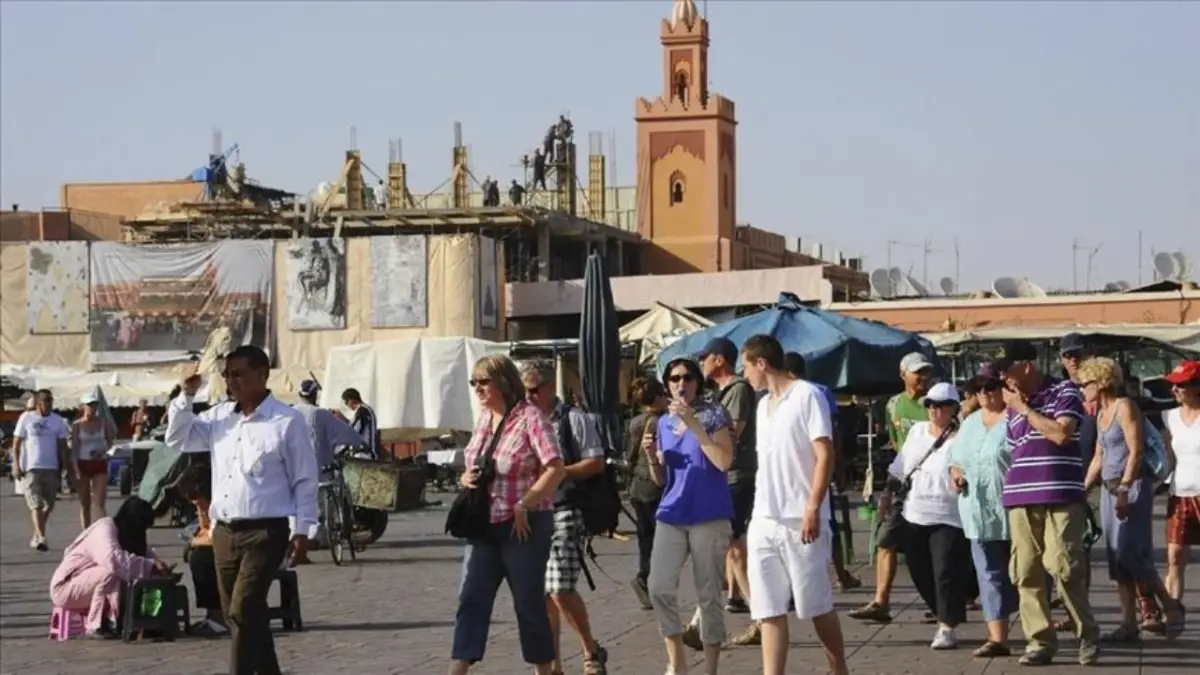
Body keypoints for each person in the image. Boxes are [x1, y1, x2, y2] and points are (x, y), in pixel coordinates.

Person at [165, 345, 319, 675]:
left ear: (262, 375)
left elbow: (304, 479)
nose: (230, 381)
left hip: (266, 531)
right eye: (226, 375)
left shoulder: (286, 421)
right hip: (224, 533)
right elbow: (177, 439)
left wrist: (304, 529)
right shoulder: (219, 418)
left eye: (238, 374)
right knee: (242, 616)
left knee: (243, 607)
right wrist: (186, 395)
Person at [449, 355, 566, 675]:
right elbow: (476, 463)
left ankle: (545, 668)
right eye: (473, 383)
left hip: (523, 525)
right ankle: (457, 668)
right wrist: (466, 478)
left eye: (483, 382)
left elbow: (555, 468)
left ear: (502, 382)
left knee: (528, 603)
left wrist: (526, 503)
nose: (477, 388)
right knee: (471, 598)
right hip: (483, 523)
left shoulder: (531, 417)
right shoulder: (484, 419)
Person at [740, 336, 848, 675]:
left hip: (800, 517)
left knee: (815, 604)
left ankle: (839, 669)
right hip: (764, 517)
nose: (744, 374)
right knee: (768, 608)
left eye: (746, 366)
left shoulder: (807, 395)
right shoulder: (762, 406)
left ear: (761, 363)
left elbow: (824, 454)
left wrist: (813, 507)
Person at [996, 340, 1100, 666]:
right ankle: (1039, 641)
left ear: (1027, 365)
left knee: (1064, 567)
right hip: (1021, 496)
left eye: (1007, 370)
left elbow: (1061, 434)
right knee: (1025, 571)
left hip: (1060, 493)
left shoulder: (1064, 391)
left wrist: (1024, 409)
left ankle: (1086, 633)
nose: (1003, 378)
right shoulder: (1011, 406)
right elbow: (1016, 449)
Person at [1078, 357, 1185, 641]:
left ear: (1101, 382)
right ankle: (1128, 622)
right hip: (1109, 489)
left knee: (1130, 551)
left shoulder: (1125, 406)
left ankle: (1169, 604)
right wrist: (1082, 489)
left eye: (1085, 383)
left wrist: (1125, 487)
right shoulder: (1101, 414)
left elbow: (1136, 451)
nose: (1082, 389)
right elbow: (1099, 457)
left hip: (1132, 486)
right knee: (1116, 557)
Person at [519, 360, 609, 675]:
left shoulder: (574, 419)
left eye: (533, 390)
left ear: (549, 387)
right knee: (544, 593)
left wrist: (557, 473)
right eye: (523, 391)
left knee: (559, 588)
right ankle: (554, 665)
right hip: (532, 512)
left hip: (566, 507)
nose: (528, 397)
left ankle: (590, 649)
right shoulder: (522, 420)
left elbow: (596, 462)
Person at [647, 356, 735, 675]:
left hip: (709, 514)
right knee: (658, 587)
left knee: (708, 593)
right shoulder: (663, 422)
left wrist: (694, 424)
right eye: (674, 379)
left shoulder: (714, 414)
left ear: (698, 382)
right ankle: (678, 663)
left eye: (687, 378)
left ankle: (710, 668)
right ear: (667, 385)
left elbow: (723, 461)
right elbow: (661, 479)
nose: (681, 384)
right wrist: (651, 458)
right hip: (672, 512)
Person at [679, 337, 756, 649]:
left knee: (726, 547)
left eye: (705, 357)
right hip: (724, 477)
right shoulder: (720, 394)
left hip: (735, 476)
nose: (701, 363)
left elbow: (731, 434)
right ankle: (757, 617)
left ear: (719, 359)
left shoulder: (737, 390)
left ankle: (705, 623)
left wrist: (698, 431)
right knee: (730, 549)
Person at [849, 352, 933, 623]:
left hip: (935, 483)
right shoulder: (894, 405)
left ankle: (943, 601)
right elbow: (897, 444)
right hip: (905, 482)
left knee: (932, 546)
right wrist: (891, 485)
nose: (923, 377)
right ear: (903, 375)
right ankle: (881, 601)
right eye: (917, 372)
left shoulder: (936, 402)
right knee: (886, 539)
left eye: (926, 372)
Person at [889, 382, 969, 649]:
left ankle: (947, 626)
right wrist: (886, 495)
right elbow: (900, 467)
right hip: (915, 512)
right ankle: (945, 610)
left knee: (945, 571)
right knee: (919, 570)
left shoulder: (962, 436)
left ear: (954, 408)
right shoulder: (917, 431)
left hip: (949, 514)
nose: (935, 410)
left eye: (941, 405)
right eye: (930, 405)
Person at [948, 363, 1018, 657]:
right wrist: (955, 473)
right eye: (978, 389)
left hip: (1014, 509)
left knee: (1023, 573)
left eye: (990, 387)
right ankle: (997, 638)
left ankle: (1038, 629)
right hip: (977, 509)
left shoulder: (1016, 418)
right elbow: (955, 459)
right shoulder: (970, 422)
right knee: (988, 573)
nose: (985, 393)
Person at [784, 351, 861, 592]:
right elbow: (833, 433)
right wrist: (839, 466)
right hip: (817, 466)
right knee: (826, 521)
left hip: (793, 470)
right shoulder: (819, 391)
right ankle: (839, 573)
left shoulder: (777, 395)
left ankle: (807, 578)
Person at [49, 497, 171, 638]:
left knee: (128, 572)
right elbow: (114, 560)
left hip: (87, 583)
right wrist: (151, 566)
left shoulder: (125, 534)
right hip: (64, 587)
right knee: (112, 571)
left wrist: (160, 567)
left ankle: (131, 621)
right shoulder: (105, 529)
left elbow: (144, 556)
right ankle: (96, 626)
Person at [293, 379, 362, 557]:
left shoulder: (290, 413)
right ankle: (320, 536)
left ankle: (299, 537)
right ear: (315, 395)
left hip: (295, 469)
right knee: (322, 501)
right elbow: (347, 434)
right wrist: (357, 441)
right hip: (320, 467)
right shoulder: (321, 414)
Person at [625, 376, 668, 610]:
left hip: (637, 486)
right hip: (654, 484)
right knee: (660, 539)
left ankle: (645, 577)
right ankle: (648, 579)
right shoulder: (661, 422)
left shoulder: (634, 422)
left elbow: (629, 453)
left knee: (645, 537)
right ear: (658, 396)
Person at [12, 389, 71, 552]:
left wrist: (65, 465)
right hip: (31, 467)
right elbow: (17, 443)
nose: (49, 404)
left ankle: (37, 533)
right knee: (35, 503)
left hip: (51, 467)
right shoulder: (26, 418)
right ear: (38, 402)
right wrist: (16, 464)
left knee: (49, 505)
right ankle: (42, 538)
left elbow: (62, 445)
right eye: (46, 400)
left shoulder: (57, 421)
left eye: (51, 400)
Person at [1163, 360, 1200, 603]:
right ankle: (1173, 609)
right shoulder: (1169, 417)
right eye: (1173, 385)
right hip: (1179, 494)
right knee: (1175, 555)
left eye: (1181, 385)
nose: (1174, 390)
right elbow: (1167, 459)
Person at [70, 393, 116, 529]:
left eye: (95, 405)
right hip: (82, 463)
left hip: (99, 463)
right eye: (90, 405)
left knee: (99, 502)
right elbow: (74, 448)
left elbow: (110, 443)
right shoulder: (77, 425)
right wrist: (75, 468)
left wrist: (102, 451)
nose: (93, 408)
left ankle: (102, 531)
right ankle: (86, 532)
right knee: (85, 503)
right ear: (83, 406)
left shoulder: (104, 423)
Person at [341, 387, 381, 458]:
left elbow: (352, 432)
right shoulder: (365, 410)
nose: (346, 405)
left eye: (346, 402)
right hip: (367, 453)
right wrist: (341, 417)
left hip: (364, 454)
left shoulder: (362, 411)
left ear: (351, 400)